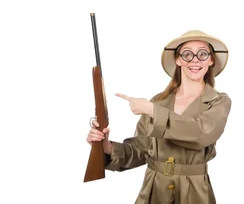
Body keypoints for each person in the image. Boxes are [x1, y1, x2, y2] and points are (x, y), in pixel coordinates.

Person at [86, 30, 232, 204]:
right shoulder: (159, 102)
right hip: (154, 190)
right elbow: (141, 150)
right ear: (178, 60)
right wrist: (107, 147)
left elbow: (201, 134)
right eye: (187, 54)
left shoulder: (218, 101)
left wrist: (152, 110)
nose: (195, 60)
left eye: (202, 54)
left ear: (211, 60)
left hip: (194, 192)